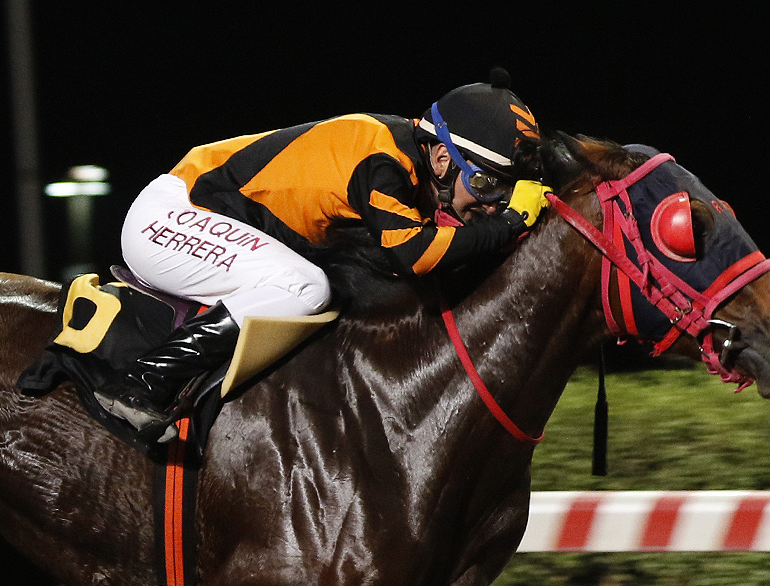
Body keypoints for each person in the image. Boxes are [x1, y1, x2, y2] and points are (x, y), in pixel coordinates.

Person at [95, 76, 552, 442]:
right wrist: (510, 224)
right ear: (441, 158)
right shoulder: (382, 158)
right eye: (486, 185)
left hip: (203, 217)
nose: (491, 204)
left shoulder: (404, 161)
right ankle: (142, 381)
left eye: (505, 193)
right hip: (173, 216)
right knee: (306, 287)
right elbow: (414, 256)